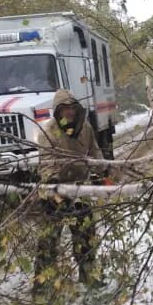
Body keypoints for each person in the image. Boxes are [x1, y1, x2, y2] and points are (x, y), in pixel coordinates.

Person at [34, 89, 104, 290]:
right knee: (48, 240)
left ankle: (89, 276)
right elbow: (46, 164)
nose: (69, 113)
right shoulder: (48, 132)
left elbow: (95, 152)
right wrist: (55, 184)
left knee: (86, 237)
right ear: (57, 111)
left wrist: (102, 167)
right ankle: (43, 283)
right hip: (54, 193)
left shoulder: (86, 129)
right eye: (64, 109)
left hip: (81, 190)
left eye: (72, 109)